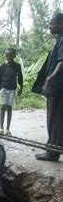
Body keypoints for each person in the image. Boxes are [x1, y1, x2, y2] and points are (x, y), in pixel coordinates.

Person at [32, 13, 63, 162]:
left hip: (57, 86)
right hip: (58, 86)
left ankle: (52, 151)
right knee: (58, 118)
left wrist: (51, 77)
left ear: (61, 24)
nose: (50, 26)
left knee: (54, 118)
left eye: (52, 24)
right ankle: (57, 147)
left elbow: (62, 61)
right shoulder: (59, 39)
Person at [0, 48, 23, 136]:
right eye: (7, 55)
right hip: (3, 89)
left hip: (12, 90)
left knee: (9, 108)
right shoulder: (2, 66)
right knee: (3, 107)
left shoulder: (17, 66)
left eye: (10, 55)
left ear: (14, 56)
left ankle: (7, 129)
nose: (8, 57)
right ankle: (1, 128)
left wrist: (21, 88)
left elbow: (20, 77)